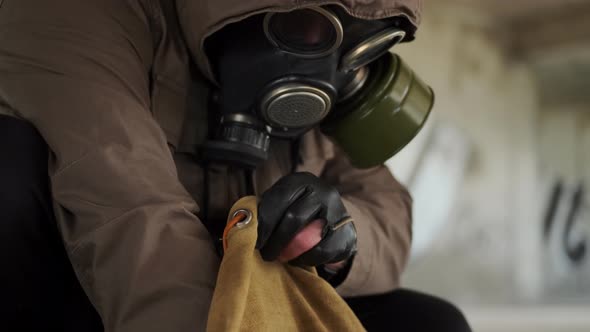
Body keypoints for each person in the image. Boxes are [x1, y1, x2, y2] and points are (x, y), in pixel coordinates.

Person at [0, 0, 471, 331]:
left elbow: (388, 210)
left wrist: (343, 239)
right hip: (97, 290)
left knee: (434, 323)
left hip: (250, 288)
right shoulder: (86, 15)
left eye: (364, 44)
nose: (327, 76)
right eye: (310, 30)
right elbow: (127, 207)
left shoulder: (340, 69)